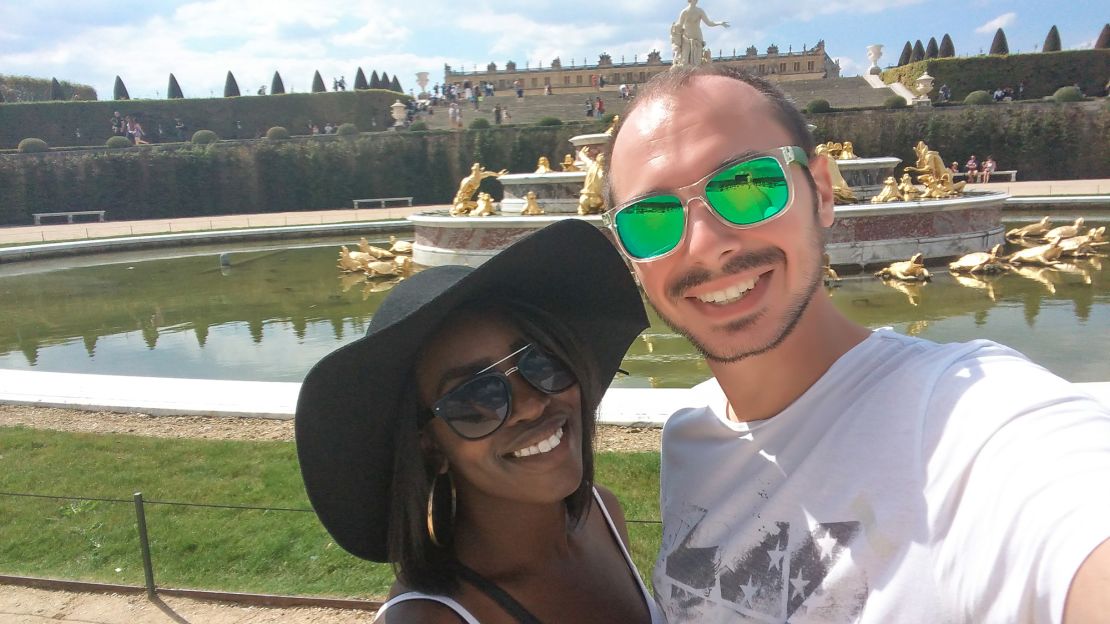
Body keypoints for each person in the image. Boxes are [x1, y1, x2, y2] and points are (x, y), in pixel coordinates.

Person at [604, 63, 1110, 623]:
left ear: (821, 190)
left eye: (748, 187)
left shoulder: (966, 421)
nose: (705, 245)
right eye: (650, 220)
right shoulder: (690, 438)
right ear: (628, 256)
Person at [296, 220, 664, 623]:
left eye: (541, 360)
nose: (530, 404)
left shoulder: (600, 513)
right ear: (430, 446)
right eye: (475, 394)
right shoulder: (433, 619)